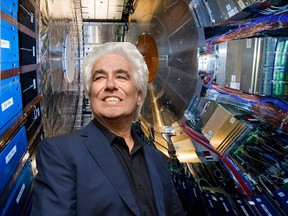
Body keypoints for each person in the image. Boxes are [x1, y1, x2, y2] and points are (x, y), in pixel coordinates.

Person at [30, 42, 185, 216]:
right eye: (99, 77)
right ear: (89, 94)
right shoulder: (59, 153)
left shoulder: (157, 160)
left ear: (139, 96)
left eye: (121, 77)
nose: (110, 85)